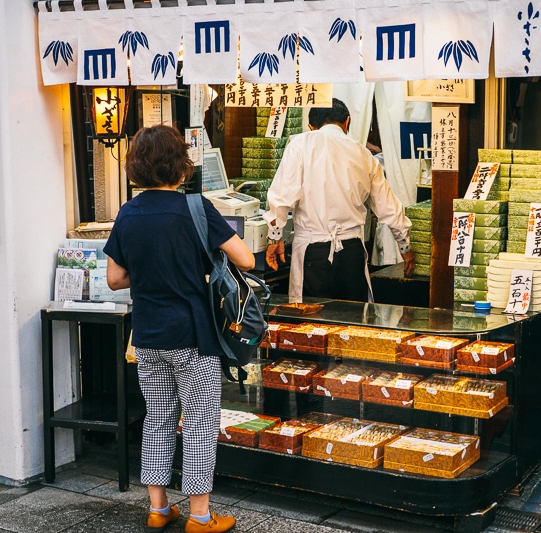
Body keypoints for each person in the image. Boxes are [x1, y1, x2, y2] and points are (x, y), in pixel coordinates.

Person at [104, 125, 254, 533]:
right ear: (180, 165)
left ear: (137, 165)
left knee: (157, 418)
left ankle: (158, 508)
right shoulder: (195, 207)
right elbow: (246, 260)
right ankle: (201, 517)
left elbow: (115, 278)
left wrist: (152, 271)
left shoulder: (128, 211)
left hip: (148, 336)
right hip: (193, 335)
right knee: (200, 422)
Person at [263, 98, 415, 303]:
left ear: (311, 127)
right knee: (351, 323)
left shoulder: (300, 144)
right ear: (347, 122)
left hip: (312, 252)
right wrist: (405, 247)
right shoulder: (364, 154)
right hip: (352, 252)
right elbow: (389, 208)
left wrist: (275, 238)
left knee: (311, 327)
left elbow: (281, 198)